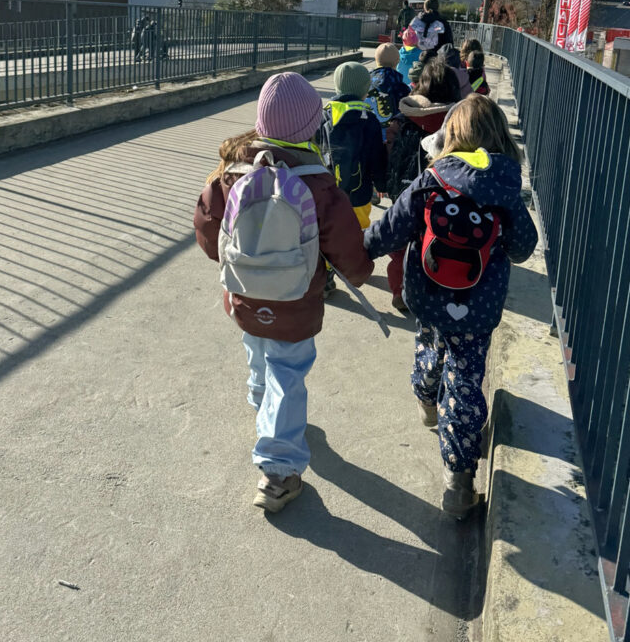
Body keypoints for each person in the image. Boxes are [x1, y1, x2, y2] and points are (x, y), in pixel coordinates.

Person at [194, 72, 373, 514]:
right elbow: (346, 247)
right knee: (287, 372)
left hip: (244, 294)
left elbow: (207, 229)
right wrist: (361, 272)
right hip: (295, 301)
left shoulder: (233, 172)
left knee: (257, 349)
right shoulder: (317, 182)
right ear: (312, 126)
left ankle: (264, 409)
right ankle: (277, 473)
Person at [364, 95, 537, 518]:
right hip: (478, 307)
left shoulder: (432, 178)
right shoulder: (505, 188)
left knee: (429, 348)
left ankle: (427, 401)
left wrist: (354, 253)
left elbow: (390, 229)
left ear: (451, 136)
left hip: (428, 294)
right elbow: (523, 248)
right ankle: (459, 483)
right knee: (465, 380)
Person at [384, 60, 461, 311]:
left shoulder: (403, 118)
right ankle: (433, 286)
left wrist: (387, 183)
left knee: (400, 245)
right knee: (436, 241)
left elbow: (389, 152)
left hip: (403, 191)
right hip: (441, 196)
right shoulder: (457, 123)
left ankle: (399, 290)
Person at [321, 61, 387, 231]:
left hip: (328, 194)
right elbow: (377, 157)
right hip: (360, 194)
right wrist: (381, 184)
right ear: (365, 91)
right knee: (357, 232)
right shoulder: (370, 119)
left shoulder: (324, 116)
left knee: (330, 232)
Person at [367, 43, 410, 138]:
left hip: (369, 132)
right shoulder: (401, 87)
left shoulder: (366, 83)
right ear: (397, 61)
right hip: (392, 135)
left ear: (376, 59)